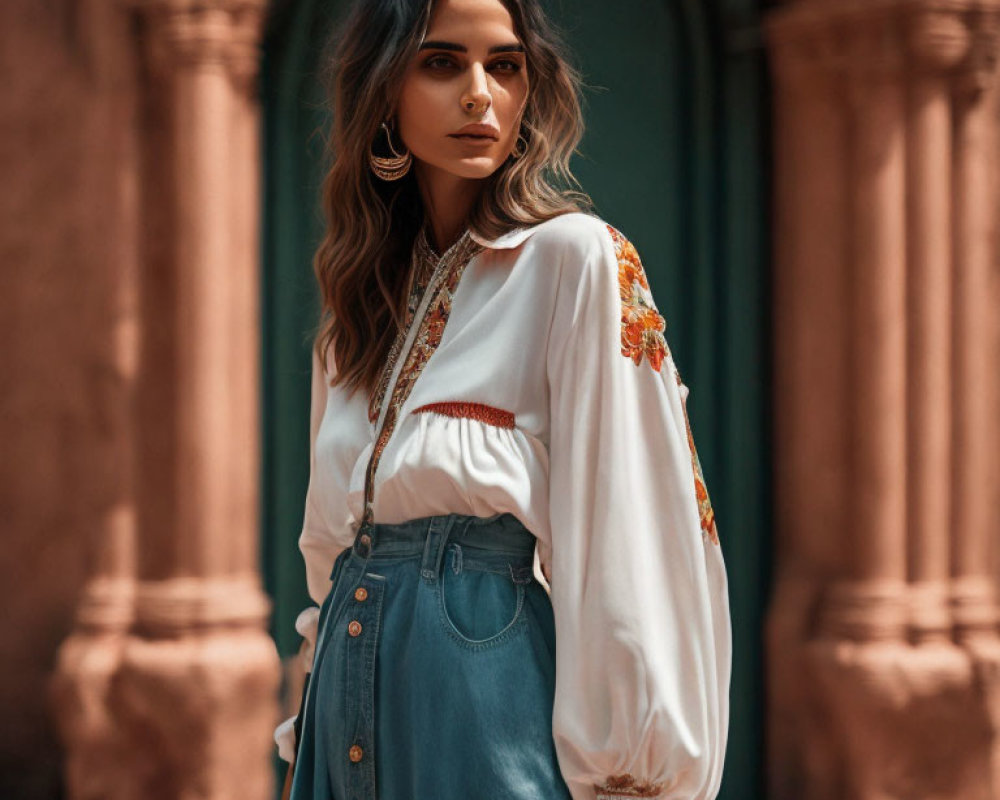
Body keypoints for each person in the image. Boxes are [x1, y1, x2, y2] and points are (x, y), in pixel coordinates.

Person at [273, 0, 732, 798]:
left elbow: (634, 533)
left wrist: (634, 775)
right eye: (442, 62)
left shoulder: (574, 260)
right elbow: (333, 548)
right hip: (346, 700)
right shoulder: (353, 317)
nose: (480, 93)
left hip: (481, 698)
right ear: (384, 90)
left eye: (505, 65)